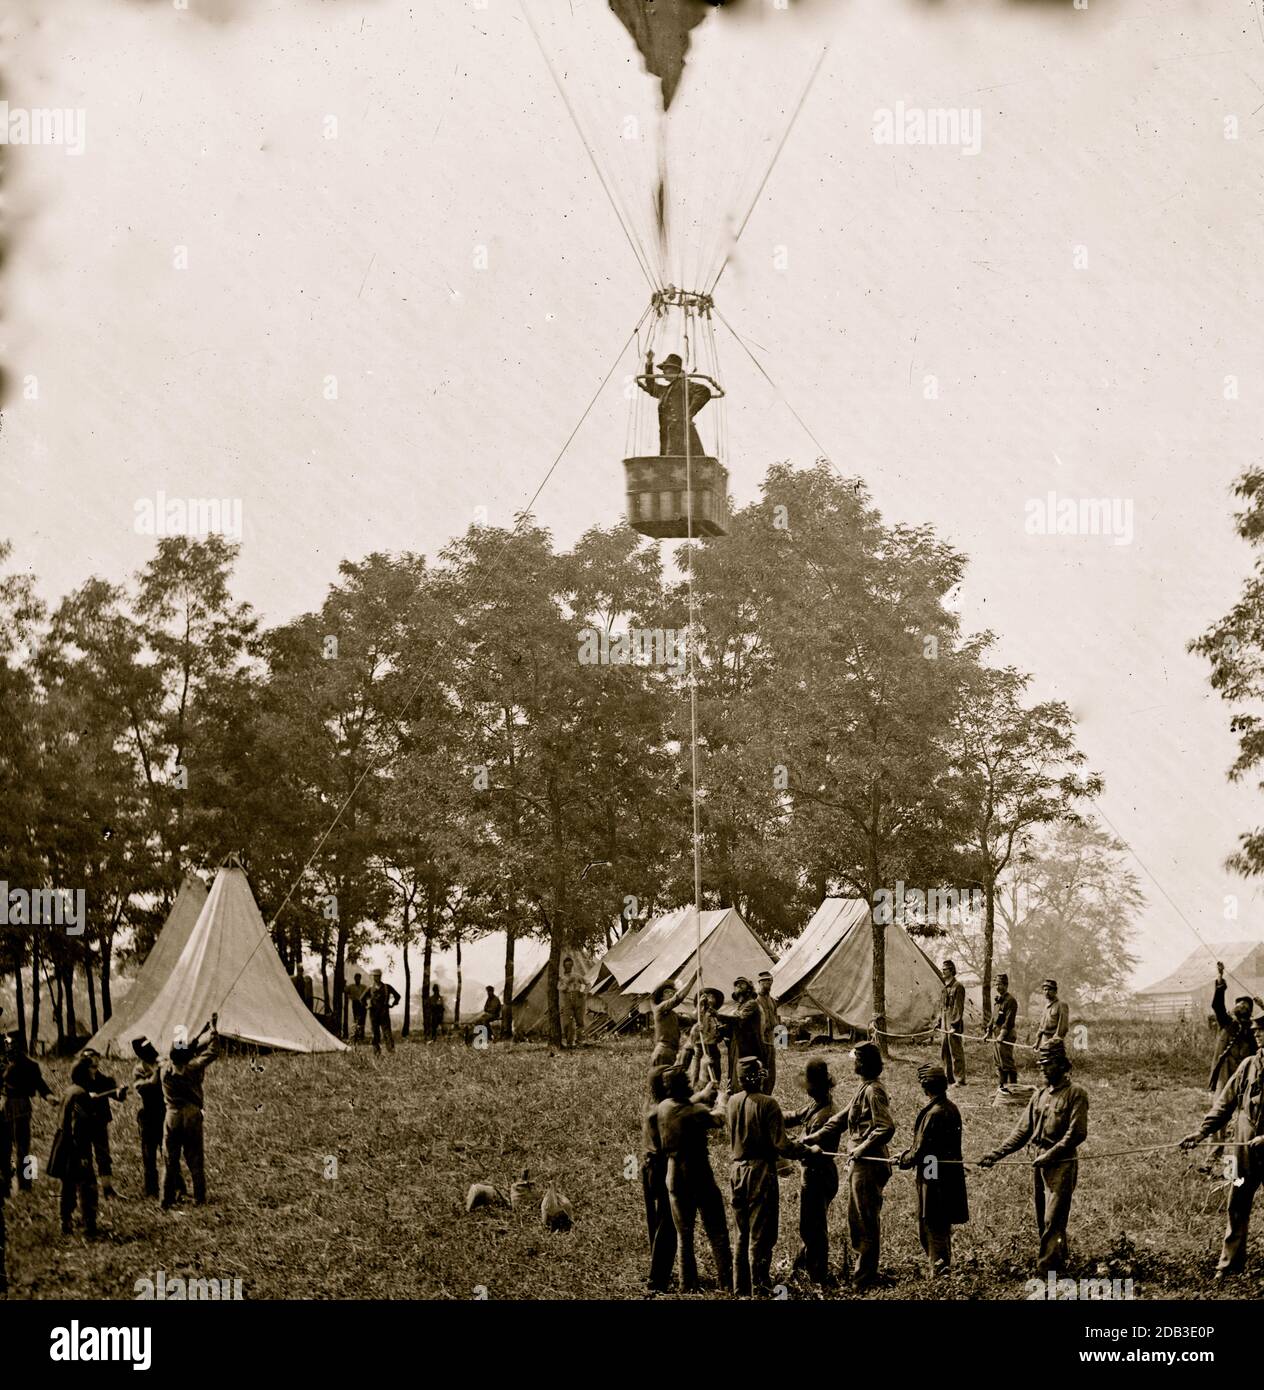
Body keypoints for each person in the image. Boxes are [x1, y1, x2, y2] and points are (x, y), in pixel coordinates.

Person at [979, 1038, 1088, 1272]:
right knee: (1044, 1220)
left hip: (1061, 1163)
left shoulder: (1076, 1094)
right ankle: (1060, 1263)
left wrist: (1050, 1155)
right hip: (1038, 1162)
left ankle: (1045, 1272)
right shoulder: (1038, 1095)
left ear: (1061, 1064)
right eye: (1041, 1064)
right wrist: (995, 1155)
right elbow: (1021, 1132)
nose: (1043, 1069)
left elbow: (1076, 1134)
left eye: (1047, 1064)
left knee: (1053, 1218)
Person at [803, 1041, 895, 1292]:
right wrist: (815, 1136)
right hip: (861, 1163)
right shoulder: (863, 1088)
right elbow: (840, 1118)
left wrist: (861, 1148)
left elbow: (886, 1127)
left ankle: (863, 1281)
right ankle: (862, 1276)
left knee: (864, 1222)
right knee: (858, 1220)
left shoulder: (874, 1091)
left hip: (868, 1164)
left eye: (855, 1059)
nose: (852, 1062)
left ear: (863, 1063)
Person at [1180, 1010, 1264, 1280]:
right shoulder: (1248, 1065)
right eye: (1255, 1030)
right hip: (1241, 1148)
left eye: (1262, 1029)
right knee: (1236, 1202)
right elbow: (1225, 1103)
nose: (1257, 1033)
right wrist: (1201, 1133)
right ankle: (1229, 1265)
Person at [726, 1055, 806, 1296]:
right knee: (762, 1235)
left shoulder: (732, 1101)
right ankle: (760, 1288)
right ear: (759, 1077)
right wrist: (806, 1150)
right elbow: (782, 1145)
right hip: (760, 1172)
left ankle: (741, 1289)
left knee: (741, 1234)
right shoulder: (768, 1103)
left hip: (736, 1171)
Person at [656, 1066, 732, 1293]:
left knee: (684, 1233)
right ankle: (727, 1282)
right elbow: (719, 1119)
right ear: (684, 1086)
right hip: (698, 1173)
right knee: (717, 1230)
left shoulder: (664, 1107)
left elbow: (688, 1103)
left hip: (674, 1174)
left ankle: (687, 1285)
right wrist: (722, 1099)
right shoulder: (695, 1112)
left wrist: (706, 1092)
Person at [897, 1063, 969, 1277]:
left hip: (932, 1176)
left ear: (925, 1086)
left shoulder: (934, 1113)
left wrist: (903, 1159)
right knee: (940, 1225)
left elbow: (921, 1151)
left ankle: (939, 1273)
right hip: (944, 1175)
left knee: (931, 1225)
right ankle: (940, 1268)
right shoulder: (950, 1107)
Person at [783, 1059, 839, 1286]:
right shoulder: (817, 1104)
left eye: (807, 1083)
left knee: (813, 1228)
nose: (804, 1087)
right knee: (810, 1226)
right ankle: (806, 1265)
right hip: (816, 1174)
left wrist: (783, 1144)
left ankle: (818, 1276)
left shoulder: (824, 1115)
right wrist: (771, 1111)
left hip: (818, 1175)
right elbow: (794, 1116)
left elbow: (806, 1151)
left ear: (815, 1085)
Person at [161, 1014, 219, 1208]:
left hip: (172, 1116)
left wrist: (192, 1044)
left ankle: (166, 1200)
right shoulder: (193, 1068)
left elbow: (182, 1055)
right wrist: (213, 1033)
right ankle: (199, 1198)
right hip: (192, 1115)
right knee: (195, 1159)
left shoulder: (164, 1070)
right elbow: (212, 1053)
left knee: (170, 1160)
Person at [49, 1054, 101, 1238]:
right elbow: (78, 1125)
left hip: (65, 1145)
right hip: (77, 1147)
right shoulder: (81, 1094)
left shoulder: (71, 1090)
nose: (95, 1072)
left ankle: (66, 1222)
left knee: (68, 1186)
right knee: (87, 1186)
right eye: (92, 1069)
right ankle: (90, 1226)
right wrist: (84, 1155)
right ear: (84, 1073)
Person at [641, 1066, 679, 1293]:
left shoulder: (650, 1104)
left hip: (647, 1165)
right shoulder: (662, 1111)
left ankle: (657, 1271)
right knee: (668, 1222)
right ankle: (658, 1279)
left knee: (654, 1220)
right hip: (661, 1165)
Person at [2, 1031, 53, 1194]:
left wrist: (49, 1096)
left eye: (13, 1044)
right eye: (8, 1044)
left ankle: (25, 1185)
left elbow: (40, 1084)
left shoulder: (30, 1066)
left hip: (21, 1107)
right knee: (4, 1148)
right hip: (3, 1107)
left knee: (23, 1148)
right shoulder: (3, 1063)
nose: (10, 1047)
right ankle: (7, 1183)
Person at [638, 351, 714, 458]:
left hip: (681, 435)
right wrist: (649, 362)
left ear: (675, 370)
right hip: (668, 436)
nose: (663, 371)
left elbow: (704, 391)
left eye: (666, 368)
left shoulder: (682, 384)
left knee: (678, 464)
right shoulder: (666, 390)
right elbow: (651, 387)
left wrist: (688, 414)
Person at [81, 1048, 124, 1199]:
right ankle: (88, 1189)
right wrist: (85, 1096)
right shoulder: (79, 1082)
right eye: (90, 1059)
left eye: (96, 1058)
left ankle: (107, 1190)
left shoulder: (102, 1080)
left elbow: (116, 1094)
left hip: (99, 1123)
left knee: (103, 1156)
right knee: (85, 1157)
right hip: (83, 1124)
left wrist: (120, 1093)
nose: (95, 1061)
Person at [131, 1037, 168, 1200]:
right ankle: (151, 1190)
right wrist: (159, 1069)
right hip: (149, 1114)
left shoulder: (160, 1061)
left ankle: (175, 1187)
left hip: (164, 1111)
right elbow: (149, 1085)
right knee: (149, 1155)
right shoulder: (139, 1069)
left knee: (168, 1151)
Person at [727, 977, 766, 1085]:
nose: (738, 985)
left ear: (749, 989)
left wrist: (719, 1015)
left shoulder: (751, 1003)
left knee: (748, 1072)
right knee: (736, 1073)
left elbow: (739, 1019)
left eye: (742, 984)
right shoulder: (738, 1007)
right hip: (738, 1044)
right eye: (736, 984)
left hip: (749, 1045)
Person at [985, 973, 1019, 1090]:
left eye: (999, 984)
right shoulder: (998, 1001)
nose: (997, 987)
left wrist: (1002, 1035)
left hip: (1006, 1034)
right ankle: (1002, 1086)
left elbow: (1009, 1021)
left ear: (1006, 985)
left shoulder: (1011, 1001)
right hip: (996, 1033)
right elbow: (993, 1018)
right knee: (998, 1061)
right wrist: (988, 1031)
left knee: (1006, 1062)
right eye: (996, 984)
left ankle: (1014, 1087)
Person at [650, 977, 692, 1068]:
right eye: (666, 992)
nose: (671, 993)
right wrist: (694, 978)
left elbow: (692, 1020)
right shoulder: (659, 1009)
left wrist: (702, 1006)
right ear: (661, 997)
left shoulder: (673, 1015)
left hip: (672, 1051)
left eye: (671, 992)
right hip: (663, 1050)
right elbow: (677, 998)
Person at [939, 959, 966, 1086]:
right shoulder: (944, 988)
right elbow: (941, 1007)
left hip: (953, 1022)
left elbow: (958, 1008)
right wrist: (939, 1022)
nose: (943, 971)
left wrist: (954, 1025)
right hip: (945, 1021)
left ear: (952, 970)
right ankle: (948, 1077)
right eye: (942, 969)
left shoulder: (958, 987)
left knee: (956, 1052)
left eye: (945, 969)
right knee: (945, 1051)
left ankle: (960, 1079)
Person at [755, 971, 780, 1095]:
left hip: (771, 1040)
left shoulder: (772, 1001)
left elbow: (776, 1019)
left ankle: (767, 1094)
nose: (768, 984)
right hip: (760, 1040)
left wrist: (781, 1041)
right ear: (759, 983)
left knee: (771, 1071)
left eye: (770, 981)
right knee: (761, 1069)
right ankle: (759, 1094)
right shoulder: (755, 1001)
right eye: (765, 981)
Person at [367, 969, 401, 1054]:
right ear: (373, 977)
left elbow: (397, 996)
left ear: (380, 976)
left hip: (384, 1013)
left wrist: (393, 1004)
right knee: (375, 1034)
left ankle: (391, 1051)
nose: (376, 978)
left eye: (378, 976)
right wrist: (367, 1006)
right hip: (373, 1014)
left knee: (387, 1033)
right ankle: (377, 1052)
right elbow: (361, 999)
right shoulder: (370, 988)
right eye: (375, 976)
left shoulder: (387, 987)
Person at [558, 955, 587, 1048]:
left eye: (570, 965)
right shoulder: (562, 978)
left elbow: (587, 983)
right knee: (568, 1022)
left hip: (578, 998)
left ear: (572, 965)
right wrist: (567, 983)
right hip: (567, 999)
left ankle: (580, 1041)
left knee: (580, 1021)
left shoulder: (577, 976)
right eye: (566, 965)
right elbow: (560, 988)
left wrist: (582, 991)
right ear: (564, 966)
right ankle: (569, 1042)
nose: (568, 967)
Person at [1035, 979, 1070, 1049]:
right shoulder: (1045, 1007)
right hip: (1044, 1041)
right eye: (1045, 990)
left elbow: (1063, 1027)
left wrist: (1054, 1041)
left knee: (1055, 1060)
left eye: (1050, 990)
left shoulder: (1061, 1005)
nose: (1047, 992)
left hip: (1055, 1044)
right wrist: (1037, 1042)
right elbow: (1041, 1027)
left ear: (1055, 991)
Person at [346, 972, 368, 1041]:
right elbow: (345, 990)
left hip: (363, 1004)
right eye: (356, 978)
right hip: (355, 1004)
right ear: (354, 979)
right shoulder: (351, 986)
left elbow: (368, 994)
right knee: (356, 1019)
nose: (357, 979)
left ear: (360, 979)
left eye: (358, 978)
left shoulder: (363, 987)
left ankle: (362, 1036)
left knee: (362, 1020)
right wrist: (351, 996)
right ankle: (356, 1036)